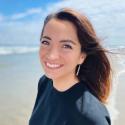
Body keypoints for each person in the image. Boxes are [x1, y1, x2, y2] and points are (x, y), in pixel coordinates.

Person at [29, 8, 112, 125]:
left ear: (82, 56)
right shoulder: (44, 82)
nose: (52, 55)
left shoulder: (90, 118)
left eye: (66, 46)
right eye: (46, 42)